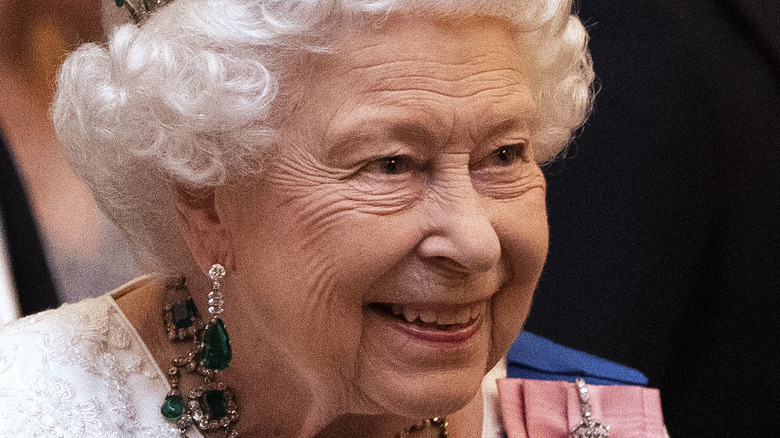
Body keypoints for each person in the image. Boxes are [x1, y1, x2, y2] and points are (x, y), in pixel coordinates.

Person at [0, 0, 662, 436]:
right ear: (206, 199)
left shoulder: (585, 416)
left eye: (505, 154)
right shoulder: (30, 411)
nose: (475, 240)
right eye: (392, 164)